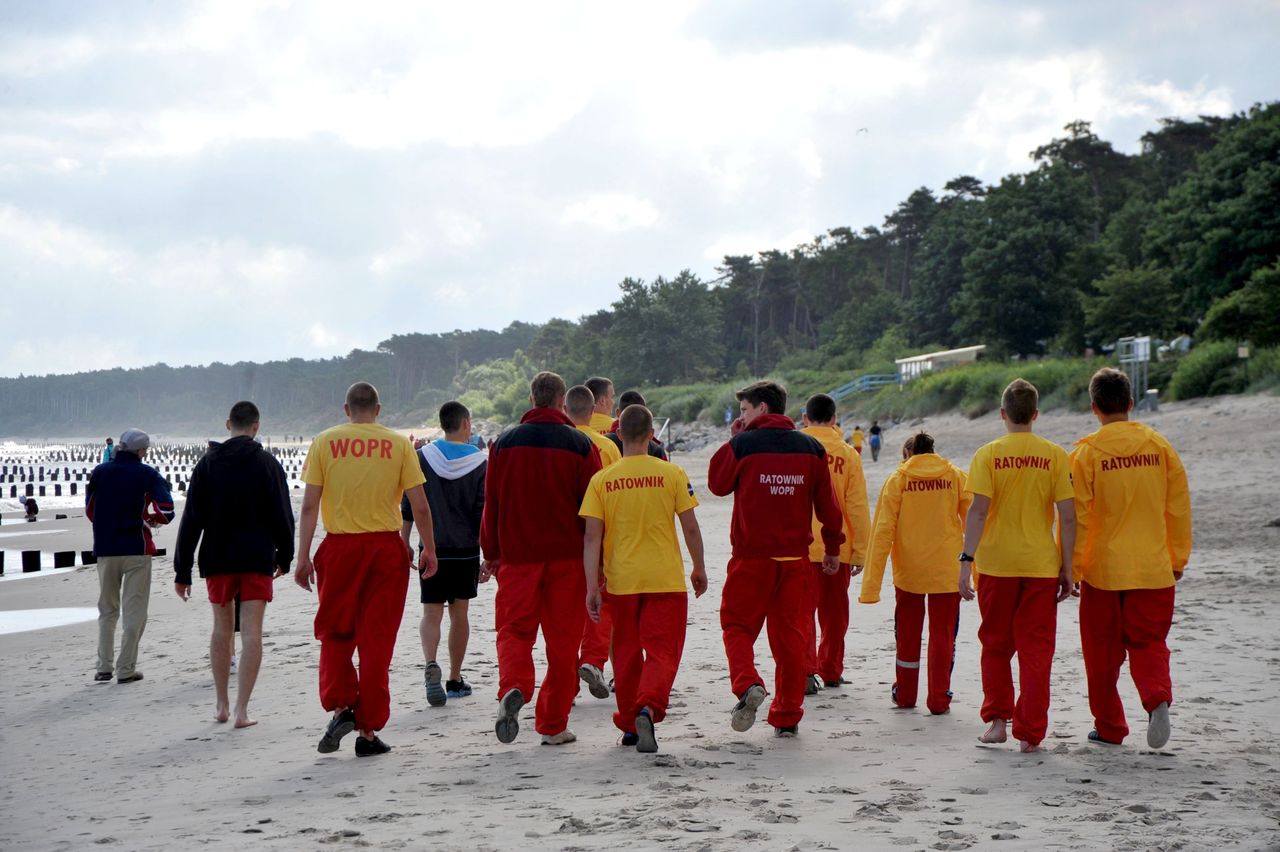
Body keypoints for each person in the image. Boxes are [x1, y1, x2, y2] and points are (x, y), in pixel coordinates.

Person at [296, 382, 437, 757]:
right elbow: (419, 505)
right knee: (377, 641)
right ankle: (369, 730)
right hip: (385, 549)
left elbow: (310, 506)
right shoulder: (399, 443)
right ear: (378, 409)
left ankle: (342, 706)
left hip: (340, 547)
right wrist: (429, 549)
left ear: (346, 409)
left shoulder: (325, 441)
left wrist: (303, 555)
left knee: (335, 631)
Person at [708, 380, 844, 737]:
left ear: (763, 409)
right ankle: (786, 714)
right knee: (790, 639)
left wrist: (733, 438)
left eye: (745, 410)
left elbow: (717, 484)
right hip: (795, 559)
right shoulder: (811, 448)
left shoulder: (744, 445)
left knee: (736, 626)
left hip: (752, 557)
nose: (741, 417)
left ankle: (747, 682)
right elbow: (830, 509)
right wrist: (832, 548)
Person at [1070, 367, 1192, 749]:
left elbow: (1081, 516)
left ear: (1094, 408)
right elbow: (1177, 509)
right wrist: (1178, 558)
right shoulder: (1159, 447)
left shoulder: (1086, 453)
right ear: (1131, 404)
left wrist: (1071, 568)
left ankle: (1109, 727)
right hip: (1153, 566)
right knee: (1150, 642)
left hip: (1102, 569)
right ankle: (1156, 699)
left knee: (1101, 655)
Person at [482, 371, 602, 746]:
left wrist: (491, 553)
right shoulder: (581, 444)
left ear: (533, 398)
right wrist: (598, 565)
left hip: (518, 558)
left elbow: (492, 505)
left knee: (514, 631)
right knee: (563, 644)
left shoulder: (503, 444)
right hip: (568, 560)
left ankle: (515, 685)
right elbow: (594, 511)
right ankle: (552, 724)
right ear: (561, 401)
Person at [581, 404, 707, 753]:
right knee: (663, 650)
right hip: (664, 578)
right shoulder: (673, 473)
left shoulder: (602, 479)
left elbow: (592, 537)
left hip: (621, 581)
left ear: (618, 434)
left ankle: (630, 724)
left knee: (625, 653)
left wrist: (592, 585)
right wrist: (699, 567)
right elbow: (691, 526)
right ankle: (648, 707)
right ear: (652, 435)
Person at [959, 379, 1076, 753]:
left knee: (995, 645)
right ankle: (1031, 732)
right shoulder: (1055, 454)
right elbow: (1068, 516)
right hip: (1041, 564)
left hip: (996, 564)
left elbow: (978, 512)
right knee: (1036, 651)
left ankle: (997, 722)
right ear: (1036, 415)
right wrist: (1068, 568)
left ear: (1003, 414)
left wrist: (966, 560)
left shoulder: (988, 453)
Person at [174, 401, 295, 727]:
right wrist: (286, 556)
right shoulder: (268, 464)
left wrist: (181, 570)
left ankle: (221, 705)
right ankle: (242, 710)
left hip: (217, 559)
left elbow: (191, 521)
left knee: (221, 628)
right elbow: (283, 515)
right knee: (252, 632)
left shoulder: (207, 466)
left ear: (229, 424)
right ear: (256, 426)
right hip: (257, 558)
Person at [860, 431, 970, 714]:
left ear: (908, 455)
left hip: (909, 572)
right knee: (943, 635)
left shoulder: (899, 479)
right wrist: (977, 573)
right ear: (932, 451)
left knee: (908, 634)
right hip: (947, 570)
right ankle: (938, 699)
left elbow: (882, 532)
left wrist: (870, 588)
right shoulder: (955, 475)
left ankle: (906, 694)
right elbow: (974, 524)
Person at [398, 401, 487, 707]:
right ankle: (454, 678)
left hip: (431, 548)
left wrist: (405, 539)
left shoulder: (422, 457)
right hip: (465, 551)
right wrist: (488, 552)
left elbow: (410, 504)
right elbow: (481, 511)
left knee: (431, 612)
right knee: (459, 613)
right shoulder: (480, 462)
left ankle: (430, 662)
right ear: (466, 424)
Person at [86, 428, 175, 684]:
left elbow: (90, 510)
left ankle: (104, 667)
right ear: (140, 450)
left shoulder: (100, 473)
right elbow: (167, 510)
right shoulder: (147, 474)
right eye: (145, 449)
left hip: (105, 548)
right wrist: (150, 520)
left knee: (107, 610)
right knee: (134, 611)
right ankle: (126, 669)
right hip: (136, 548)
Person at [798, 393, 871, 693]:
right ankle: (830, 669)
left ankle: (804, 671)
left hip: (798, 546)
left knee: (801, 614)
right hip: (836, 546)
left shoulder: (794, 449)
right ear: (834, 419)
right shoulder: (848, 455)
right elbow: (856, 507)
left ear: (805, 419)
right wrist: (860, 553)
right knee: (834, 616)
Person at [565, 384, 621, 699]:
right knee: (602, 601)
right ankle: (592, 660)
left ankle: (567, 679)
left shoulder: (560, 442)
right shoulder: (608, 445)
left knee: (566, 611)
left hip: (564, 536)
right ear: (596, 406)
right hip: (598, 533)